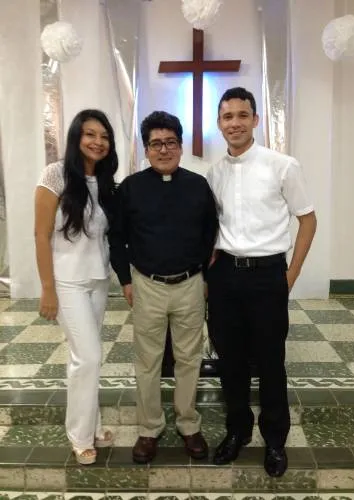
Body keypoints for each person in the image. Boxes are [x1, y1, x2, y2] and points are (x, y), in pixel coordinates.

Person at [206, 87, 317, 476]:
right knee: (230, 361)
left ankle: (274, 440)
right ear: (219, 124)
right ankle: (237, 431)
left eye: (242, 115)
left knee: (271, 361)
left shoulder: (282, 165)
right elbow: (212, 228)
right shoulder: (214, 172)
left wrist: (291, 274)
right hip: (224, 279)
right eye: (226, 116)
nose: (234, 122)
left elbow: (308, 219)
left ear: (255, 120)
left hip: (268, 274)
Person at [109, 110, 217, 464]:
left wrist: (203, 277)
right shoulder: (131, 188)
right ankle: (149, 428)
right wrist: (126, 280)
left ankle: (188, 424)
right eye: (156, 143)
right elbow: (117, 239)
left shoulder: (198, 185)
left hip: (189, 284)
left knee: (189, 358)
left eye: (171, 142)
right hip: (147, 285)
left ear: (181, 146)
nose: (164, 149)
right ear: (146, 149)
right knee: (148, 360)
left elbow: (210, 233)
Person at [34, 109, 118, 465]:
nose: (97, 142)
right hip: (66, 281)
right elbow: (40, 234)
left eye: (103, 136)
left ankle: (93, 423)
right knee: (89, 357)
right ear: (75, 137)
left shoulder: (106, 180)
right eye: (90, 134)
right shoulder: (55, 175)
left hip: (97, 279)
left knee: (83, 358)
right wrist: (47, 288)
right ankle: (80, 435)